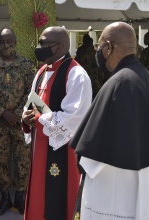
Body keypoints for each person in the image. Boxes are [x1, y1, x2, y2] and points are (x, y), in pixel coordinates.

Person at [70, 22, 149, 220]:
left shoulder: (119, 83)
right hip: (145, 185)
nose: (97, 52)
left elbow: (91, 156)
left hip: (117, 193)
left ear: (109, 48)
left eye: (99, 47)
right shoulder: (145, 78)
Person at [21, 26, 92, 220]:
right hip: (40, 144)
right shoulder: (42, 70)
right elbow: (33, 102)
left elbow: (74, 117)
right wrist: (26, 118)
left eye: (43, 43)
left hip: (63, 149)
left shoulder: (77, 74)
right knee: (39, 192)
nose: (39, 47)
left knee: (57, 197)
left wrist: (37, 120)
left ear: (59, 46)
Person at [0, 28, 34, 216]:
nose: (6, 45)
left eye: (9, 41)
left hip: (21, 123)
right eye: (2, 42)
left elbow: (32, 92)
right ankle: (4, 197)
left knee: (22, 160)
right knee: (1, 162)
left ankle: (20, 196)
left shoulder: (26, 65)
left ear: (15, 42)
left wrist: (17, 113)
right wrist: (2, 112)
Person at [75, 34, 102, 99]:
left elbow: (76, 62)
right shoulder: (94, 52)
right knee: (97, 93)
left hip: (85, 74)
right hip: (92, 75)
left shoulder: (80, 51)